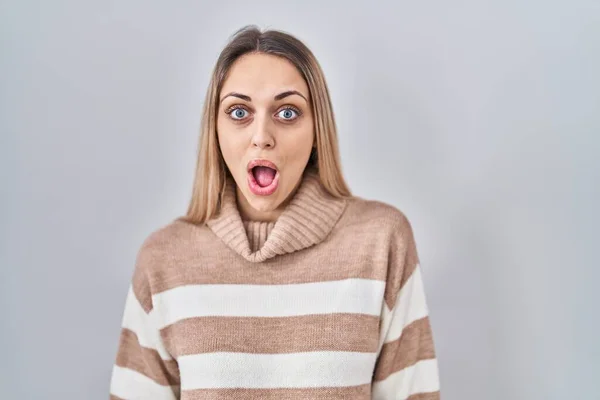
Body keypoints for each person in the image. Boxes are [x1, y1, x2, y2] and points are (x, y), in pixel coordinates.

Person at [109, 25, 440, 400]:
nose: (262, 135)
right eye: (238, 111)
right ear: (214, 129)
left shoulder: (381, 243)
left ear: (318, 129)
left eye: (287, 112)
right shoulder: (164, 260)